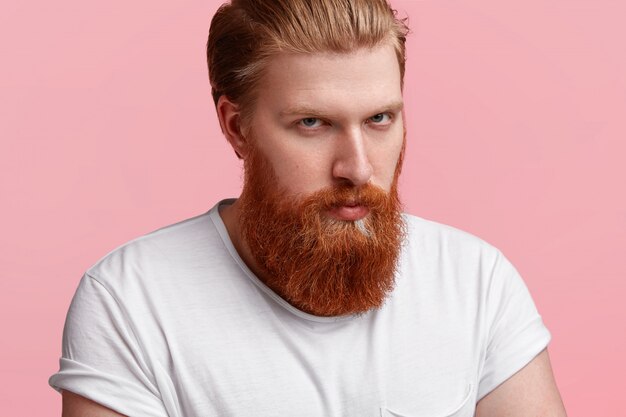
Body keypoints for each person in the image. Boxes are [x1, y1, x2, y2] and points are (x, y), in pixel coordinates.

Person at [50, 0, 567, 415]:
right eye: (312, 124)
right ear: (236, 126)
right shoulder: (131, 302)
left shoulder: (477, 282)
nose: (358, 169)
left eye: (380, 118)